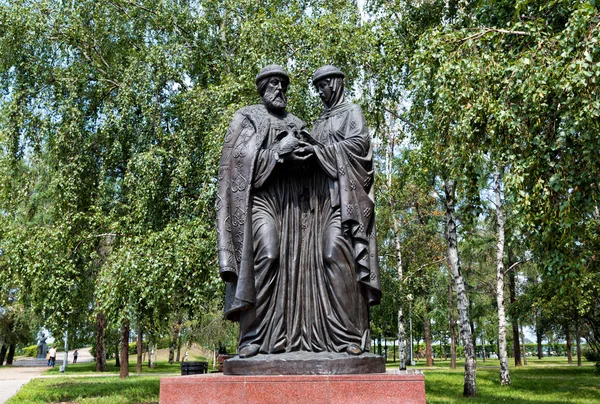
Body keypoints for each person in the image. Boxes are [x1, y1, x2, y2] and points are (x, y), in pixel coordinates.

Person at [217, 65, 309, 358]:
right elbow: (240, 166)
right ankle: (251, 336)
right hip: (259, 201)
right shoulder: (247, 118)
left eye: (284, 84)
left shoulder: (296, 121)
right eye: (274, 83)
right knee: (268, 255)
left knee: (295, 267)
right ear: (262, 88)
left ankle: (288, 338)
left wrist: (304, 153)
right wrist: (280, 150)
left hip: (293, 205)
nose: (280, 89)